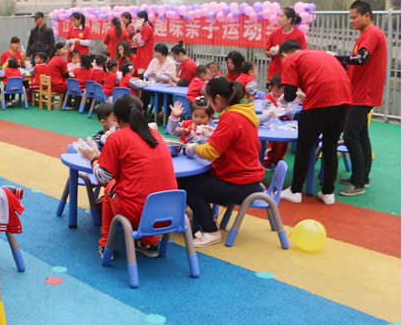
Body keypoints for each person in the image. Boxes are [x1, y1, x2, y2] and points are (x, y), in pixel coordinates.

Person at [76, 95, 178, 258]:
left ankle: (106, 245)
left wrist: (93, 157)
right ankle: (149, 242)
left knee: (109, 189)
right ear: (141, 113)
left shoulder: (117, 138)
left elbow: (102, 178)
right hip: (171, 212)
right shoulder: (154, 134)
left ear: (116, 119)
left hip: (138, 214)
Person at [181, 78, 264, 247]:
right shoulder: (243, 112)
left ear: (218, 98)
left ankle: (211, 230)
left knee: (187, 185)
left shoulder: (231, 118)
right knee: (197, 180)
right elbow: (234, 140)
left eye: (209, 99)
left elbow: (210, 152)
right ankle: (203, 219)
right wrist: (215, 133)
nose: (210, 104)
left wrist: (193, 148)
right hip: (250, 179)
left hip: (239, 183)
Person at [278, 40, 351, 205]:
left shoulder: (290, 59)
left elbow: (289, 94)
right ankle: (328, 192)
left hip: (320, 100)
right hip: (344, 99)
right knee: (330, 146)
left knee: (304, 146)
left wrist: (284, 99)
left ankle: (295, 190)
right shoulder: (319, 54)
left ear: (284, 54)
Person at [337, 0, 387, 196]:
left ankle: (357, 183)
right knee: (361, 135)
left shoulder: (372, 33)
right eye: (350, 18)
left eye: (354, 17)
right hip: (359, 92)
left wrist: (337, 58)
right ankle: (362, 178)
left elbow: (361, 58)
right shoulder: (366, 35)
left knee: (350, 135)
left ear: (367, 15)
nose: (351, 21)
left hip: (364, 94)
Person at [260, 75, 301, 168]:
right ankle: (268, 162)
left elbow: (291, 113)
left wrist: (290, 108)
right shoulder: (269, 98)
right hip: (272, 127)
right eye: (276, 91)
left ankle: (279, 161)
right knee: (273, 145)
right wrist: (271, 112)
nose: (279, 94)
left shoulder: (286, 98)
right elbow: (265, 111)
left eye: (282, 91)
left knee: (283, 145)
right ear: (270, 88)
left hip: (286, 126)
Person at [264, 6, 306, 80]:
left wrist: (290, 55)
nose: (278, 18)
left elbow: (303, 54)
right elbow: (267, 53)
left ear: (289, 20)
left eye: (281, 16)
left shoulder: (299, 35)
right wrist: (272, 52)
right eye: (279, 16)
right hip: (274, 73)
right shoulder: (274, 33)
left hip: (291, 72)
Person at [132, 11, 154, 75]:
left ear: (143, 18)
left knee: (143, 73)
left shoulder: (147, 28)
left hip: (145, 54)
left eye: (138, 18)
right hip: (141, 53)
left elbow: (141, 43)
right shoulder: (142, 27)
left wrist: (137, 32)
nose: (137, 20)